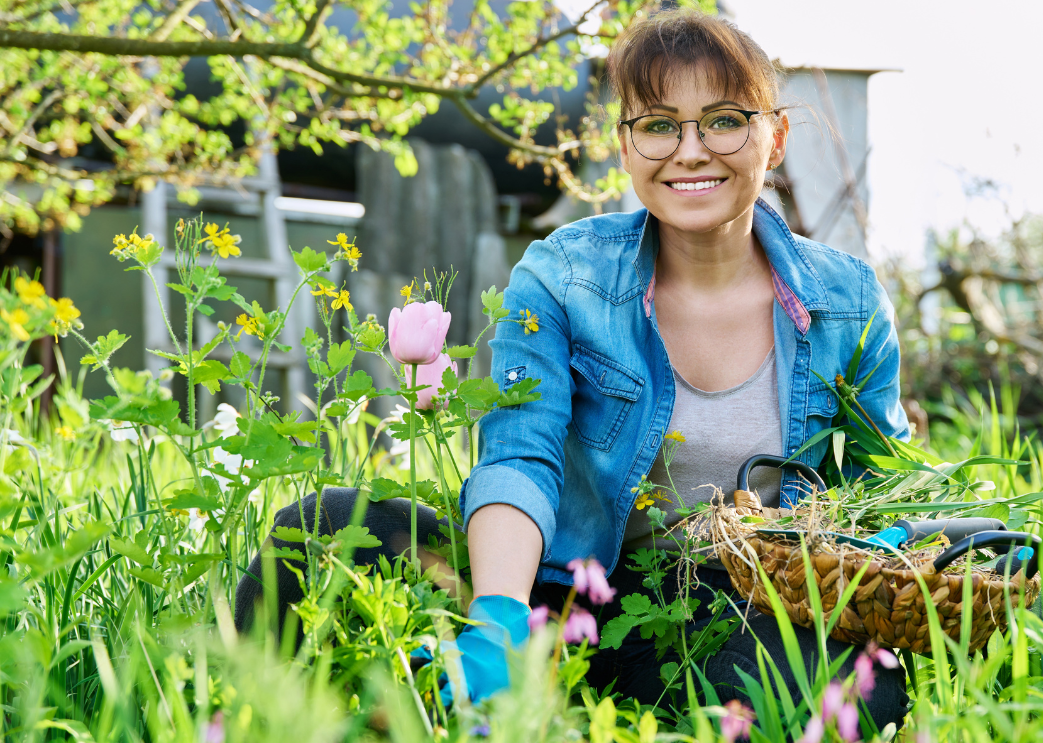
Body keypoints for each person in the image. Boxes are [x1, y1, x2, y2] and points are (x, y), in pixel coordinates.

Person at [235, 7, 910, 727]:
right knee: (323, 525)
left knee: (865, 691)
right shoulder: (565, 274)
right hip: (547, 583)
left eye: (722, 120)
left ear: (773, 138)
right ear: (625, 145)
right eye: (657, 124)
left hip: (727, 612)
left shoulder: (846, 299)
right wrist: (494, 616)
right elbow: (521, 453)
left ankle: (585, 701)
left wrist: (899, 550)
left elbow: (881, 487)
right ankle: (253, 713)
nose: (690, 150)